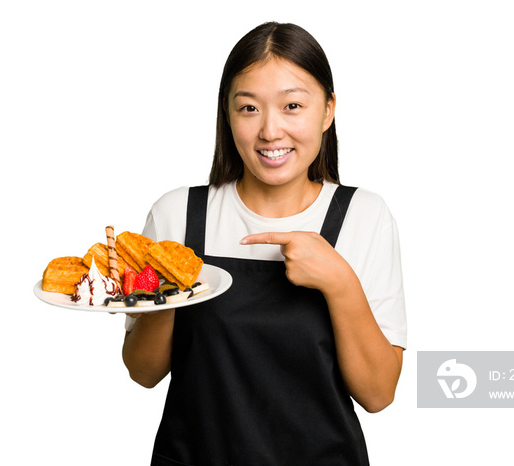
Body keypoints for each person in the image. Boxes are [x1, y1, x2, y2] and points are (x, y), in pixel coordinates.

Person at [122, 21, 406, 465]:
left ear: (328, 110)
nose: (271, 131)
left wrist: (339, 281)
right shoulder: (177, 215)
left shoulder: (363, 216)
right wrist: (171, 286)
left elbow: (378, 393)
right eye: (249, 108)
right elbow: (142, 372)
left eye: (292, 105)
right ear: (227, 114)